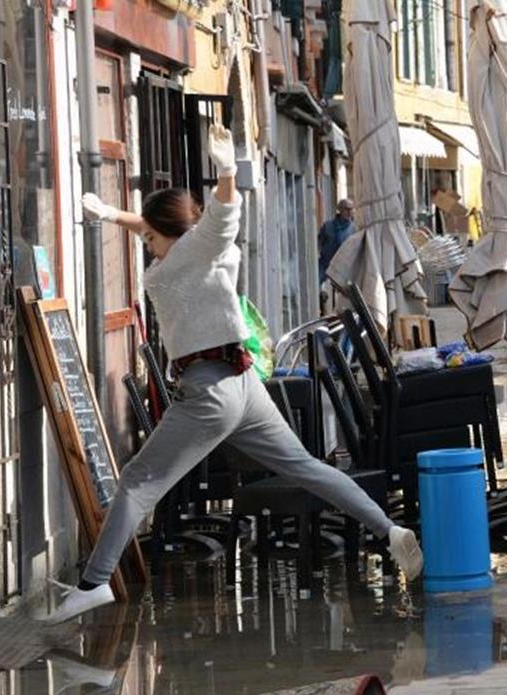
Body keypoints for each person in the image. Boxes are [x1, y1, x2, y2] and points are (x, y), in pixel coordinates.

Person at [40, 124, 422, 624]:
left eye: (150, 237)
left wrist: (225, 171)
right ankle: (390, 533)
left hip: (208, 393)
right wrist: (115, 215)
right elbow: (180, 228)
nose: (147, 245)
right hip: (245, 386)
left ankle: (93, 585)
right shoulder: (203, 251)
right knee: (306, 467)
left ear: (170, 235)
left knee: (136, 482)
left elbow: (222, 214)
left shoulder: (193, 251)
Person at [318, 198, 356, 283]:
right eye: (347, 209)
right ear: (340, 210)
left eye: (352, 209)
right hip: (326, 263)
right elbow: (320, 242)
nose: (349, 212)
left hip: (344, 267)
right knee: (316, 280)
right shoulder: (328, 226)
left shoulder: (354, 229)